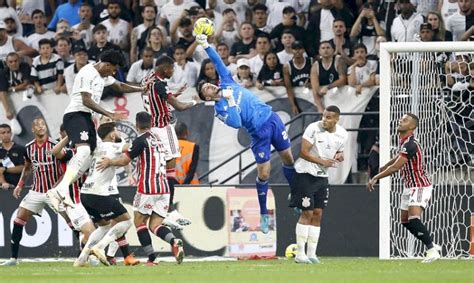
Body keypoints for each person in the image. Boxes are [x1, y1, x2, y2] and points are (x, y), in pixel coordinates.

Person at [195, 34, 296, 234]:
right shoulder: (220, 110)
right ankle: (264, 213)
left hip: (273, 120)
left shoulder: (226, 81)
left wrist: (206, 45)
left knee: (289, 160)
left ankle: (296, 194)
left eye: (209, 83)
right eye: (206, 88)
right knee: (264, 173)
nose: (210, 86)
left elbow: (216, 61)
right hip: (259, 134)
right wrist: (230, 100)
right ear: (206, 97)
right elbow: (237, 122)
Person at [46, 49, 143, 211]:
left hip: (86, 119)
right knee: (83, 151)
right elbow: (86, 100)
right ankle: (60, 190)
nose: (113, 72)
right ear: (105, 64)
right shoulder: (87, 72)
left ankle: (60, 189)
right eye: (112, 69)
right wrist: (109, 113)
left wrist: (141, 89)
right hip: (75, 115)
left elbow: (119, 85)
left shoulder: (103, 75)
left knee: (92, 156)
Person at [96, 112, 185, 266]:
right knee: (155, 225)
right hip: (164, 188)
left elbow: (124, 160)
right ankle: (174, 241)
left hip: (147, 188)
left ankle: (151, 259)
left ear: (137, 125)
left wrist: (110, 162)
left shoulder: (140, 140)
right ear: (151, 124)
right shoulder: (159, 140)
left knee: (139, 222)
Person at [368, 113, 441, 263]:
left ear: (412, 127)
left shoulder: (411, 144)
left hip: (420, 185)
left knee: (414, 218)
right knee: (405, 221)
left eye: (405, 120)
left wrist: (376, 177)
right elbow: (396, 159)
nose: (401, 121)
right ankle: (432, 245)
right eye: (401, 119)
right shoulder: (404, 142)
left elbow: (397, 167)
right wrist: (384, 166)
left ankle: (431, 250)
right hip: (409, 186)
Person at [0, 118, 67, 266]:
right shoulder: (29, 147)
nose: (41, 127)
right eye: (37, 125)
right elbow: (28, 167)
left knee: (72, 221)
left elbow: (65, 170)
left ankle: (85, 255)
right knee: (18, 220)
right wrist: (19, 185)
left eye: (43, 124)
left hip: (54, 192)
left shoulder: (56, 146)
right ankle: (13, 259)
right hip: (36, 191)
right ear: (33, 129)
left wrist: (57, 187)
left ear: (46, 127)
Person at [141, 55, 196, 227]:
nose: (173, 72)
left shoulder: (148, 80)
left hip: (153, 128)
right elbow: (179, 106)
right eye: (172, 68)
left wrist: (174, 95)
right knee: (171, 167)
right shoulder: (160, 83)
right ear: (165, 68)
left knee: (160, 170)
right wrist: (194, 102)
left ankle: (164, 210)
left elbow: (157, 100)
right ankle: (170, 211)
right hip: (164, 128)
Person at [73, 122, 139, 267]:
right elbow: (131, 148)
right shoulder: (111, 145)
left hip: (86, 193)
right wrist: (144, 140)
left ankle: (82, 258)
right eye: (116, 131)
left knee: (104, 226)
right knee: (126, 221)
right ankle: (100, 247)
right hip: (99, 194)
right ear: (112, 134)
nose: (118, 133)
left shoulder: (97, 147)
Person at [289, 106, 347, 264]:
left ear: (336, 119)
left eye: (329, 118)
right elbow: (303, 153)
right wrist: (323, 161)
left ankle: (312, 254)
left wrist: (340, 156)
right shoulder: (313, 128)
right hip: (305, 174)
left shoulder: (343, 134)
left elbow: (339, 151)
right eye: (324, 116)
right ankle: (300, 255)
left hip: (322, 177)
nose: (324, 120)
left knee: (318, 214)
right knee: (307, 213)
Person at [0, 123, 25, 189]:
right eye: (3, 133)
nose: (6, 135)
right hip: (5, 188)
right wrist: (4, 183)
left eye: (8, 132)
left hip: (22, 186)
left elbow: (23, 168)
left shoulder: (20, 149)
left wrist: (5, 169)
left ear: (11, 133)